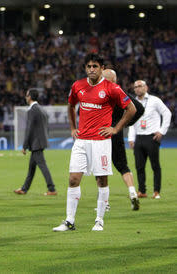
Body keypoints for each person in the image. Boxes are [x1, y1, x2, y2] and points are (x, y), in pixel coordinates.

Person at [52, 53, 136, 232]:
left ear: (102, 68)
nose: (91, 69)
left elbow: (131, 109)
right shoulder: (78, 86)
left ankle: (99, 220)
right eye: (89, 66)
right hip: (81, 140)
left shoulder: (111, 88)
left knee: (101, 180)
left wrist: (115, 129)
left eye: (95, 66)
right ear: (85, 68)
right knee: (73, 179)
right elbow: (70, 106)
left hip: (101, 142)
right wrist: (73, 128)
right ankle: (69, 221)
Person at [102, 69, 144, 210]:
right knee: (122, 166)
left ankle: (104, 203)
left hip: (101, 133)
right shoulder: (119, 92)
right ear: (115, 79)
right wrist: (124, 124)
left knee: (101, 168)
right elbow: (138, 108)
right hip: (116, 132)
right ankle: (132, 192)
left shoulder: (99, 92)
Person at [128, 80, 171, 199]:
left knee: (155, 166)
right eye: (135, 87)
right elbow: (131, 120)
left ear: (146, 87)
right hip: (139, 138)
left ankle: (156, 191)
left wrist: (162, 131)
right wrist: (131, 138)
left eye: (140, 86)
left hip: (152, 137)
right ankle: (142, 191)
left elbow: (167, 113)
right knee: (139, 166)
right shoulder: (133, 102)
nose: (137, 89)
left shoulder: (154, 100)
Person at [14, 88, 56, 196]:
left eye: (27, 95)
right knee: (31, 168)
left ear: (30, 97)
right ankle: (24, 189)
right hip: (40, 142)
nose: (25, 97)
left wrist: (24, 146)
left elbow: (29, 129)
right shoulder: (41, 109)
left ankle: (51, 189)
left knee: (42, 166)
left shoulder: (32, 110)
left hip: (36, 143)